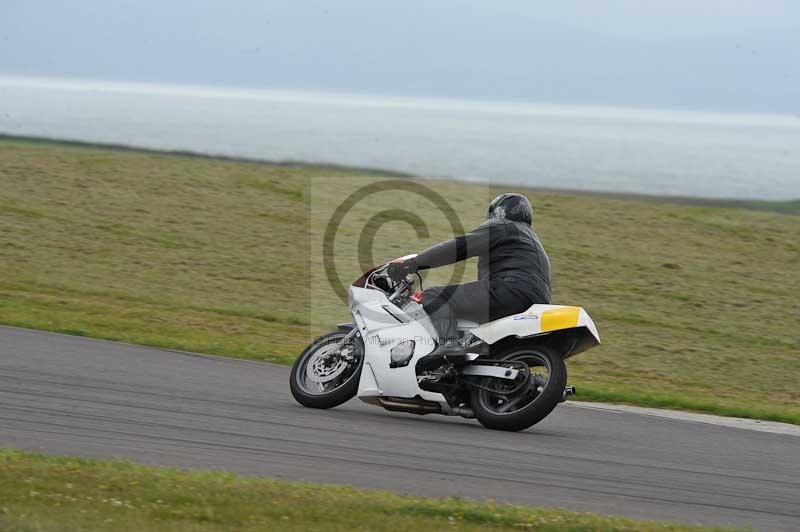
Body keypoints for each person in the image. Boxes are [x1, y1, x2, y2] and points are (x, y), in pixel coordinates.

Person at [388, 193, 551, 365]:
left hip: (509, 290)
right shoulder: (531, 240)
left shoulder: (503, 226)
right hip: (536, 302)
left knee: (436, 295)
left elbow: (458, 247)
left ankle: (449, 346)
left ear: (498, 212)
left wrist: (414, 263)